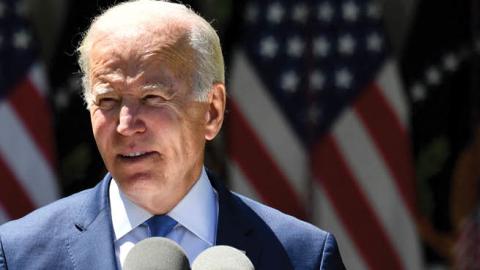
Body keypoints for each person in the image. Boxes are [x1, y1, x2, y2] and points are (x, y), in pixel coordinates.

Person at [0, 1, 345, 269]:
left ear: (211, 110)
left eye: (152, 98)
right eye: (107, 100)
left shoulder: (304, 257)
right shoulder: (20, 254)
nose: (126, 124)